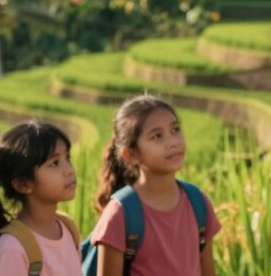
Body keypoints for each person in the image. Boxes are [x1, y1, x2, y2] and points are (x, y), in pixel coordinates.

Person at [89, 95, 220, 276]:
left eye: (175, 129)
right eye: (157, 136)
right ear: (131, 154)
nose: (173, 142)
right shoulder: (120, 214)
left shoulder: (198, 202)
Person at [0, 120, 81, 275]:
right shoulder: (13, 249)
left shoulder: (68, 228)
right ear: (23, 184)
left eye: (68, 158)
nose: (69, 170)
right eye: (55, 163)